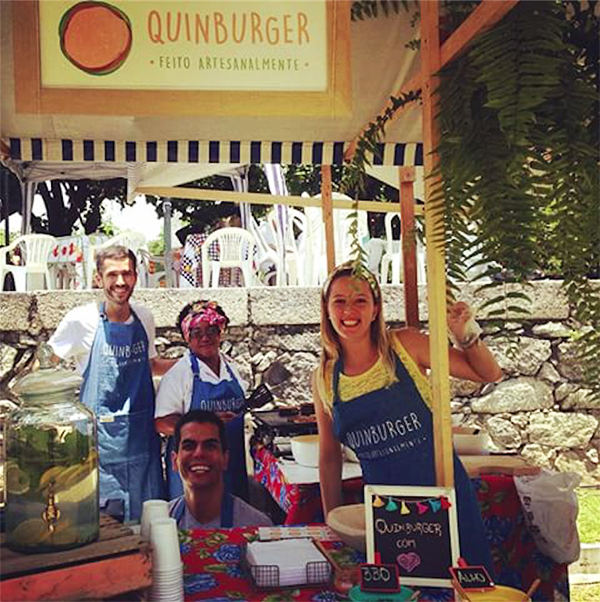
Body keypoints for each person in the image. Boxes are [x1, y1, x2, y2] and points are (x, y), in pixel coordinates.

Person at [313, 262, 502, 573]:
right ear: (327, 310)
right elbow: (330, 458)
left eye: (360, 300)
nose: (349, 310)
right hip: (389, 518)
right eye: (339, 301)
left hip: (447, 502)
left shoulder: (405, 345)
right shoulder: (323, 377)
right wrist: (334, 525)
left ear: (375, 309)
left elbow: (488, 373)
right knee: (403, 591)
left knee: (466, 587)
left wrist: (465, 334)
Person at [49, 245, 174, 522]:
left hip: (142, 443)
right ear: (98, 279)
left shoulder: (144, 317)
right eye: (112, 275)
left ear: (136, 276)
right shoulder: (81, 320)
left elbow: (150, 365)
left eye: (126, 274)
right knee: (106, 525)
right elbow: (47, 363)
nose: (120, 282)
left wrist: (191, 361)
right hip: (99, 448)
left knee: (149, 524)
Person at [155, 300, 249, 501]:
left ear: (221, 332)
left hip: (231, 466)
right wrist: (204, 423)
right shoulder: (179, 374)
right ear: (187, 337)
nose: (205, 337)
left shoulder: (232, 369)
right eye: (196, 332)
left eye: (211, 330)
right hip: (194, 472)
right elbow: (161, 423)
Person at [169, 410, 273, 529]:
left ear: (225, 459)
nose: (199, 453)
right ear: (174, 461)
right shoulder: (158, 525)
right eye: (189, 446)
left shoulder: (257, 526)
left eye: (210, 446)